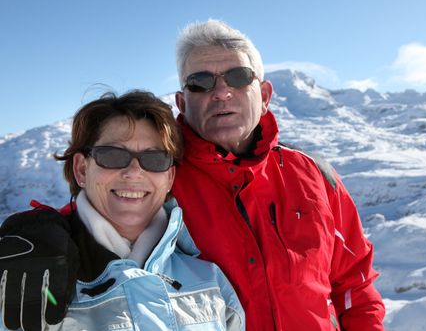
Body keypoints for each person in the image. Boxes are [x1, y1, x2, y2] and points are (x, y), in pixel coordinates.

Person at [1, 19, 385, 330]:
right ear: (183, 102)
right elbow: (100, 207)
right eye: (201, 82)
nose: (221, 93)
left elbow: (355, 285)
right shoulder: (161, 170)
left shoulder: (315, 178)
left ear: (264, 93)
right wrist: (38, 230)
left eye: (237, 77)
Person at [0, 91, 244, 331]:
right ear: (82, 169)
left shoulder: (209, 281)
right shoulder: (28, 279)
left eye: (155, 159)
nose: (134, 172)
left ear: (169, 177)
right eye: (113, 155)